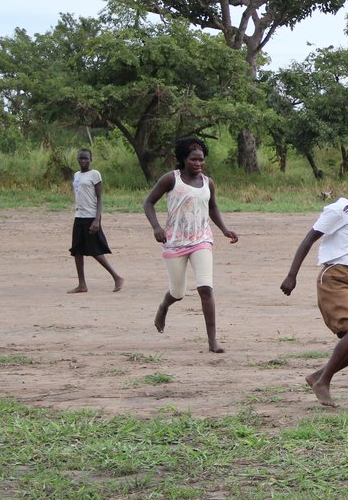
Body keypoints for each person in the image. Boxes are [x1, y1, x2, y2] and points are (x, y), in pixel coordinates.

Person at [280, 166, 348, 407]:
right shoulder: (340, 209)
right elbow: (309, 239)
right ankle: (323, 381)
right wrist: (291, 276)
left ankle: (318, 375)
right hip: (336, 279)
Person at [143, 136, 238, 353]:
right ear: (184, 159)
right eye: (194, 160)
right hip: (174, 241)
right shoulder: (171, 179)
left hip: (201, 240)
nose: (198, 164)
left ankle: (212, 340)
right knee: (177, 292)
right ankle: (164, 306)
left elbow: (213, 208)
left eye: (201, 160)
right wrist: (156, 227)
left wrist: (224, 229)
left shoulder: (207, 182)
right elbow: (148, 202)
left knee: (205, 288)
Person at [68, 148, 123, 293]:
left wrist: (97, 219)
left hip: (91, 217)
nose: (83, 161)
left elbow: (99, 198)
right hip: (79, 216)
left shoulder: (95, 174)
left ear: (91, 159)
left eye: (86, 158)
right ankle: (82, 284)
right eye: (81, 158)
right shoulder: (76, 175)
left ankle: (117, 277)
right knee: (77, 251)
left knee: (95, 251)